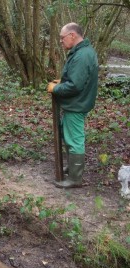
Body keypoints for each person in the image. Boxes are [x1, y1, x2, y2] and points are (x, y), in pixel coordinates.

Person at [47, 22, 98, 189]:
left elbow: (75, 85)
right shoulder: (82, 52)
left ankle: (75, 178)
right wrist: (63, 81)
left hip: (77, 104)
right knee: (68, 135)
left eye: (62, 38)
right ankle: (72, 168)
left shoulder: (82, 55)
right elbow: (79, 78)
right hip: (77, 102)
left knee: (74, 139)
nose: (61, 41)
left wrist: (57, 88)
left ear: (72, 36)